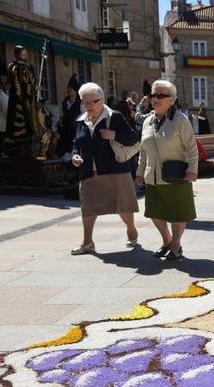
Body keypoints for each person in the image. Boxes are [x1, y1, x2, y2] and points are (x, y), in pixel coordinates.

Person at [69, 83, 140, 256]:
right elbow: (76, 144)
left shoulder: (114, 117)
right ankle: (87, 243)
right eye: (85, 103)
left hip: (115, 171)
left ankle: (131, 230)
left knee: (123, 208)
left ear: (101, 100)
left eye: (93, 102)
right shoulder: (80, 121)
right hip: (88, 172)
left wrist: (114, 135)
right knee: (87, 208)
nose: (89, 106)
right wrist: (75, 155)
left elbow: (132, 138)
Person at [136, 80, 198, 260]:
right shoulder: (147, 121)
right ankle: (167, 240)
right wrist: (140, 171)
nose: (155, 99)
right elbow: (143, 149)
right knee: (155, 213)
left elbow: (191, 147)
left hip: (177, 175)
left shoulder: (180, 120)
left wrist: (192, 169)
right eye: (153, 95)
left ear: (171, 99)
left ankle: (176, 245)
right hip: (153, 176)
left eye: (161, 95)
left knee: (178, 213)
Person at [56, 75, 81, 159]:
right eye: (68, 88)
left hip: (76, 130)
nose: (68, 90)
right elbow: (62, 116)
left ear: (75, 91)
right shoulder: (64, 103)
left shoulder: (80, 104)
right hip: (66, 130)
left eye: (71, 89)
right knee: (64, 151)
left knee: (74, 150)